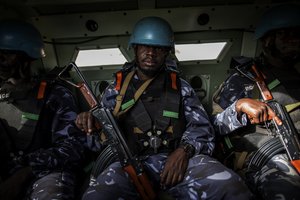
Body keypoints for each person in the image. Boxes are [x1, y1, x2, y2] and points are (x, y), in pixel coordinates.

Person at [77, 16, 252, 200]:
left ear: (167, 52)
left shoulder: (181, 87)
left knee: (230, 186)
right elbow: (99, 142)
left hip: (179, 160)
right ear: (135, 48)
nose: (151, 53)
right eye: (145, 46)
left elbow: (202, 127)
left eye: (158, 48)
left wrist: (184, 151)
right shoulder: (116, 90)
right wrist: (91, 124)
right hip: (129, 164)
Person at [212, 4, 300, 200]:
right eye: (284, 34)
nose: (293, 39)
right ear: (267, 40)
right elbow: (215, 126)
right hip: (269, 154)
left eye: (296, 33)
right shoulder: (243, 79)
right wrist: (239, 106)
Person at [0, 19, 87, 200]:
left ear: (27, 57)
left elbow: (73, 148)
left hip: (46, 172)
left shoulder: (55, 95)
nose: (1, 61)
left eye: (6, 55)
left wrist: (25, 171)